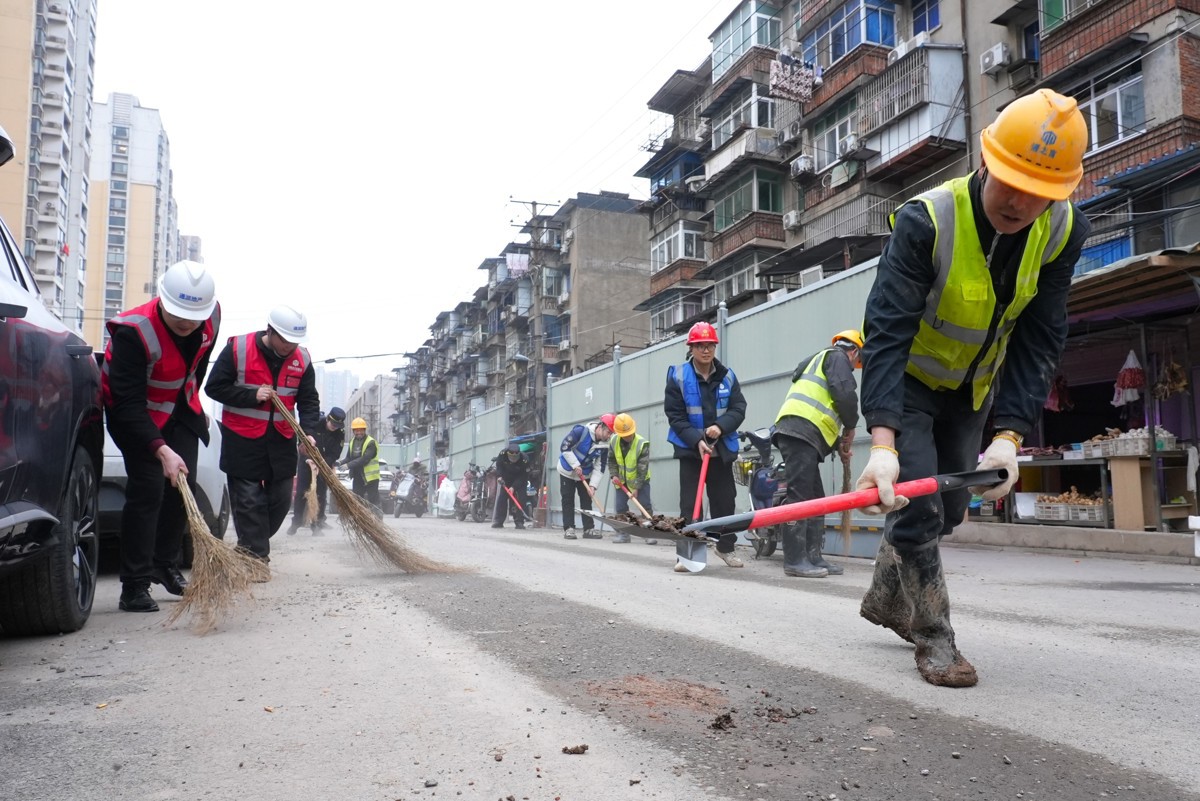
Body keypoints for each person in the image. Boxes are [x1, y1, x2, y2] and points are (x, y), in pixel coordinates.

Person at [853, 89, 1091, 688]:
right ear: (986, 160)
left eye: (1039, 191)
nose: (1019, 200)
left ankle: (887, 592)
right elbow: (885, 333)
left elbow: (1041, 336)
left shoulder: (1062, 232)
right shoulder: (925, 220)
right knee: (919, 503)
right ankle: (933, 637)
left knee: (950, 508)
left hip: (970, 390)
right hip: (909, 382)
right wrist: (882, 443)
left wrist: (1010, 434)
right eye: (1009, 180)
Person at [102, 260, 220, 612]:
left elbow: (195, 367)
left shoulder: (210, 318)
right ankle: (135, 585)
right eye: (178, 313)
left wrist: (192, 409)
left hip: (179, 407)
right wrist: (160, 449)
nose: (186, 322)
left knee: (183, 488)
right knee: (149, 488)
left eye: (193, 315)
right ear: (161, 300)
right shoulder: (132, 333)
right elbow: (126, 404)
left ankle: (164, 565)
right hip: (135, 414)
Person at [205, 304, 320, 575]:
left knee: (280, 499)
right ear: (270, 331)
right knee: (248, 500)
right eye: (285, 341)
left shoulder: (302, 359)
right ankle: (257, 559)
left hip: (281, 440)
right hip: (241, 438)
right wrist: (251, 395)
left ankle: (249, 545)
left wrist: (309, 432)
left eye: (295, 342)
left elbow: (308, 400)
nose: (290, 347)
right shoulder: (238, 349)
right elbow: (214, 387)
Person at [772, 330, 861, 578]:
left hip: (801, 431)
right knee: (800, 497)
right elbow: (843, 395)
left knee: (816, 498)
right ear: (854, 351)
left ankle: (812, 557)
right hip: (800, 431)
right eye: (857, 363)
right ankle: (794, 559)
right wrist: (851, 426)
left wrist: (837, 445)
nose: (853, 368)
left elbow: (822, 411)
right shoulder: (838, 357)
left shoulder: (820, 360)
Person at [665, 321, 747, 570]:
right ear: (691, 348)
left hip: (721, 451)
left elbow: (738, 408)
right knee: (690, 505)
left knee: (725, 502)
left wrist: (720, 427)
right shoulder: (678, 376)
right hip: (691, 451)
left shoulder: (728, 376)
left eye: (709, 345)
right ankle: (688, 555)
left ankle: (725, 548)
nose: (705, 350)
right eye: (700, 345)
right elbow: (675, 416)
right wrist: (697, 440)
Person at [286, 407, 346, 535]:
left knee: (320, 494)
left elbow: (335, 453)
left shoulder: (340, 433)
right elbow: (302, 442)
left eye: (337, 425)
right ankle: (296, 522)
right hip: (306, 462)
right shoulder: (315, 424)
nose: (335, 427)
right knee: (302, 492)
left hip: (324, 466)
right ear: (328, 418)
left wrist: (324, 463)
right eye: (333, 424)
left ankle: (316, 524)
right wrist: (309, 459)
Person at [557, 414, 613, 539]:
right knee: (568, 499)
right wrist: (575, 464)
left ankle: (588, 529)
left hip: (585, 473)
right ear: (601, 427)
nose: (609, 436)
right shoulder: (580, 432)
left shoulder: (605, 445)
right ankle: (569, 528)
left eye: (611, 434)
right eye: (608, 432)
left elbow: (600, 466)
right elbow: (564, 447)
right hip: (567, 470)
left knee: (586, 500)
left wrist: (593, 485)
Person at [608, 412, 656, 545]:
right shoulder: (613, 441)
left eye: (629, 433)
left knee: (645, 506)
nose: (628, 436)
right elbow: (611, 460)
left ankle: (649, 533)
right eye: (625, 435)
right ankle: (623, 534)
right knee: (620, 507)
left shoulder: (642, 444)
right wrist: (614, 475)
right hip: (621, 481)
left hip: (641, 480)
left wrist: (636, 487)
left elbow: (642, 468)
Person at [339, 418, 380, 514]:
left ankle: (377, 521)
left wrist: (348, 465)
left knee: (373, 501)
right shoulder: (352, 442)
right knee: (357, 500)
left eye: (361, 430)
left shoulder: (371, 442)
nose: (359, 432)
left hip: (370, 478)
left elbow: (364, 459)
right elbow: (349, 457)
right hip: (357, 476)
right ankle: (362, 520)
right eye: (356, 430)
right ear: (353, 431)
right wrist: (340, 463)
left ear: (364, 430)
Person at [492, 444, 529, 529]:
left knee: (520, 499)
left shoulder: (524, 459)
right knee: (502, 499)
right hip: (506, 479)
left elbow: (523, 476)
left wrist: (513, 487)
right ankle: (499, 521)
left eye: (515, 458)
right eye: (511, 458)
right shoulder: (502, 454)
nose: (513, 460)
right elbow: (499, 466)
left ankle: (519, 522)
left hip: (519, 480)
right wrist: (499, 476)